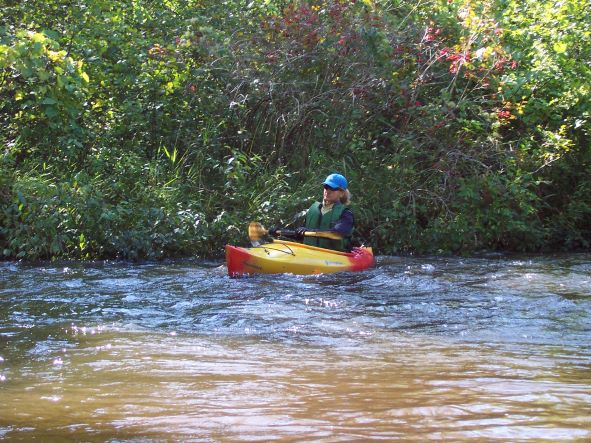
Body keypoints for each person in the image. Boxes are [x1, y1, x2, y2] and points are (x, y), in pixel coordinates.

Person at [271, 173, 354, 251]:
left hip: (334, 256)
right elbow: (302, 235)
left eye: (332, 188)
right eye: (326, 187)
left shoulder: (346, 213)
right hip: (310, 255)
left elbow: (337, 233)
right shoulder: (313, 209)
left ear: (342, 193)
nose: (327, 191)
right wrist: (280, 232)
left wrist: (309, 230)